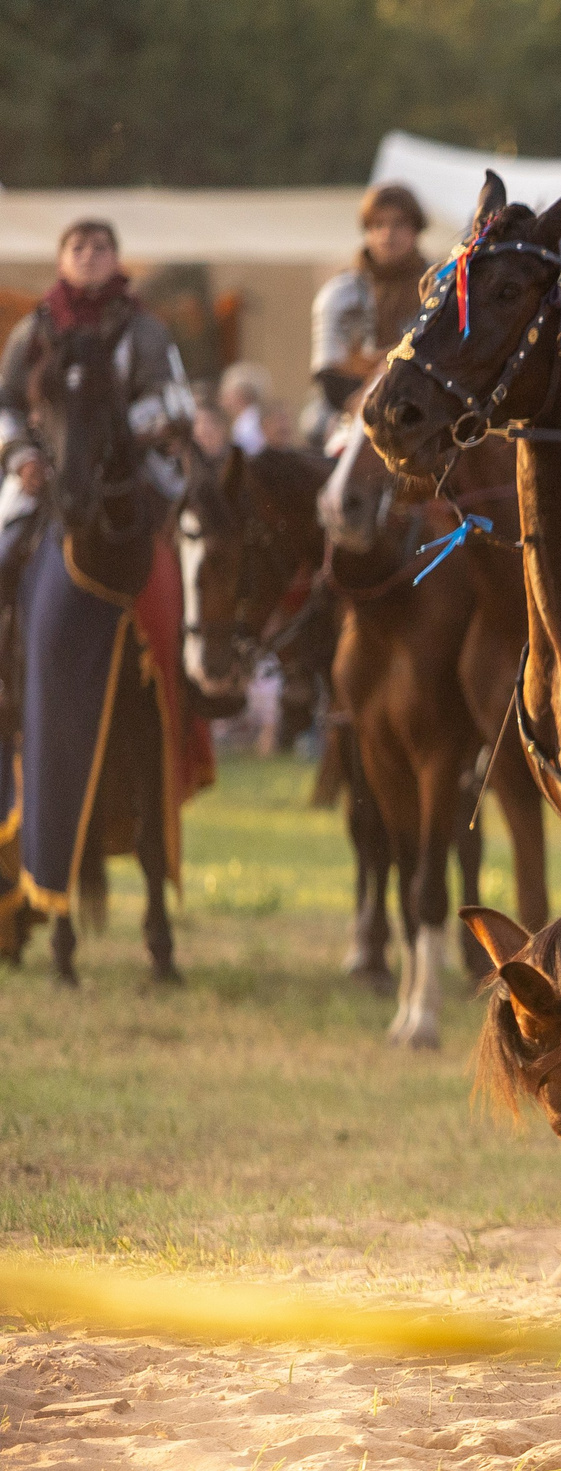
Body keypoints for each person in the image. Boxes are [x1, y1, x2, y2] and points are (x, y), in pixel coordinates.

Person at [0, 218, 203, 939]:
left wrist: (118, 422)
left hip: (127, 474)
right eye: (78, 247)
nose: (90, 257)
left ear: (118, 259)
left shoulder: (143, 330)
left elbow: (178, 401)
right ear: (61, 259)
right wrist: (22, 453)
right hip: (46, 476)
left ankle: (205, 672)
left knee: (199, 540)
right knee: (2, 551)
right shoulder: (35, 329)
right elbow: (4, 404)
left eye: (102, 247)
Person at [309, 182, 428, 436]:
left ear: (415, 229)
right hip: (352, 422)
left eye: (398, 224)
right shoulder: (341, 295)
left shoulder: (440, 290)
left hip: (427, 420)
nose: (388, 234)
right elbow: (331, 377)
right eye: (378, 225)